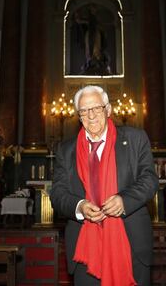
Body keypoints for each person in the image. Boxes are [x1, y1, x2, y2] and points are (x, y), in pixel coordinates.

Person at [50, 85, 159, 286]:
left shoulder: (135, 139)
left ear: (108, 110)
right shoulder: (66, 150)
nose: (90, 116)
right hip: (85, 249)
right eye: (84, 111)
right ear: (78, 116)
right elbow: (57, 193)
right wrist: (80, 206)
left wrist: (124, 200)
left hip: (131, 242)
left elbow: (149, 179)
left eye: (96, 108)